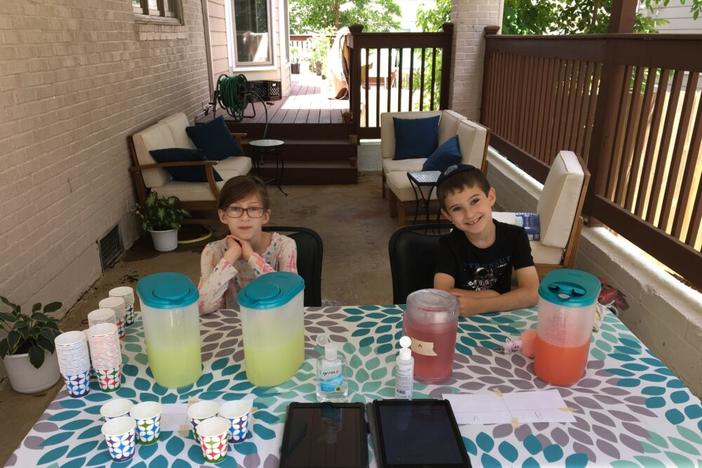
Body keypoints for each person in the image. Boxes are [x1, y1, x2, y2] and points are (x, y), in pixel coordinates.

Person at [433, 164, 539, 316]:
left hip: (500, 319)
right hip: (461, 321)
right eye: (457, 208)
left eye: (475, 201)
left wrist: (482, 305)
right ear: (448, 215)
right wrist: (491, 295)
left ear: (490, 197)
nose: (469, 214)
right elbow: (441, 295)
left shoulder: (515, 236)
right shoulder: (448, 244)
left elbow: (532, 293)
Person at [198, 175, 297, 315]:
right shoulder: (212, 251)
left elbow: (290, 301)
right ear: (223, 216)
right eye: (235, 209)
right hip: (232, 328)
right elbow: (201, 307)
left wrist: (251, 257)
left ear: (265, 216)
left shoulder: (285, 246)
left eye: (253, 209)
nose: (245, 218)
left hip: (273, 325)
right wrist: (229, 258)